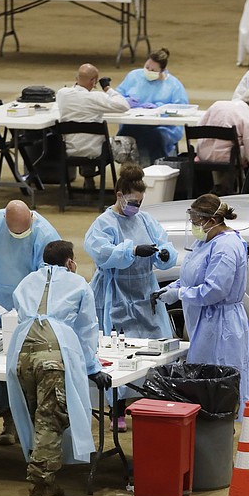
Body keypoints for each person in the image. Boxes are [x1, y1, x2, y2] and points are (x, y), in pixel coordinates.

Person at [5, 240, 111, 496]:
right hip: (52, 358)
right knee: (49, 423)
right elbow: (88, 329)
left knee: (35, 418)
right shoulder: (77, 284)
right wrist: (92, 367)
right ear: (70, 262)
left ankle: (49, 483)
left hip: (22, 356)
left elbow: (20, 316)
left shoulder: (27, 282)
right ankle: (38, 491)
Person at [84, 163, 178, 431]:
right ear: (119, 195)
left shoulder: (145, 220)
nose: (135, 207)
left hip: (143, 292)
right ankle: (117, 410)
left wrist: (164, 254)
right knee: (118, 354)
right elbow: (100, 252)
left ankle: (148, 405)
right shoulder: (104, 223)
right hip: (116, 295)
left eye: (139, 202)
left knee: (152, 350)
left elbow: (164, 242)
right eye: (133, 201)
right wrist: (132, 250)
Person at [0, 200, 60, 445]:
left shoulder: (45, 234)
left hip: (27, 307)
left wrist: (31, 305)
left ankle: (28, 420)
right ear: (5, 222)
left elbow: (48, 276)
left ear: (31, 218)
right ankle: (6, 419)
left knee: (26, 366)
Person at [157, 194, 249, 416]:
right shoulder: (205, 240)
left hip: (221, 324)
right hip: (205, 322)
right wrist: (173, 287)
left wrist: (180, 293)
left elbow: (215, 290)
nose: (193, 227)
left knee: (219, 382)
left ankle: (221, 430)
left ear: (211, 221)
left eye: (196, 222)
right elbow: (193, 274)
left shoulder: (226, 247)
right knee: (203, 381)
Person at [56, 63, 136, 185]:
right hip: (97, 151)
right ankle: (130, 186)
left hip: (70, 149)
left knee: (87, 140)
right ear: (93, 81)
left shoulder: (62, 94)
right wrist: (107, 88)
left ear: (77, 78)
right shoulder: (97, 97)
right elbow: (124, 105)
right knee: (129, 142)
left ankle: (88, 181)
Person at [116, 47, 189, 166]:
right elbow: (117, 96)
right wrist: (125, 101)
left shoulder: (173, 85)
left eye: (153, 70)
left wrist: (160, 108)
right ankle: (128, 172)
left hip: (163, 128)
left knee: (154, 138)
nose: (148, 71)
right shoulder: (134, 76)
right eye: (147, 67)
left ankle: (154, 170)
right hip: (134, 123)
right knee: (125, 134)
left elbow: (181, 108)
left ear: (162, 70)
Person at [196, 89, 249, 196]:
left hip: (203, 154)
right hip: (228, 157)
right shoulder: (247, 116)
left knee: (235, 148)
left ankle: (220, 187)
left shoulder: (217, 105)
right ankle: (231, 189)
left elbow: (199, 126)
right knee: (244, 151)